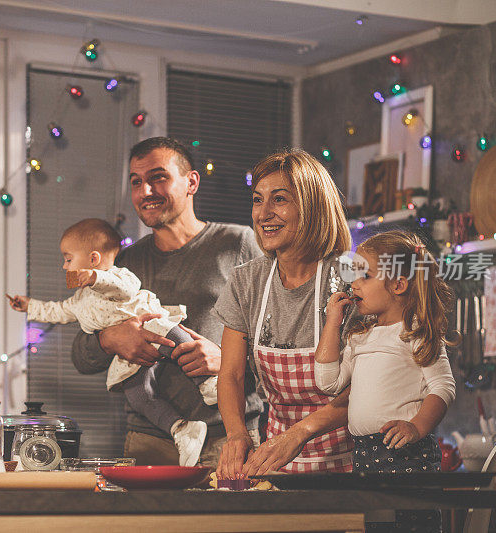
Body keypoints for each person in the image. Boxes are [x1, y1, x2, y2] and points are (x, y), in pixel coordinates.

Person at [71, 137, 264, 467]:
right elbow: (80, 356)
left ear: (191, 182)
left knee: (230, 521)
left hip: (229, 437)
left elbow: (282, 340)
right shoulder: (123, 265)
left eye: (158, 177)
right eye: (136, 182)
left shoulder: (238, 243)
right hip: (149, 442)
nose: (146, 192)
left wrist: (228, 359)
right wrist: (109, 339)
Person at [8, 218, 217, 466]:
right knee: (138, 396)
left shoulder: (120, 275)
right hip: (130, 355)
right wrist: (29, 306)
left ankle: (209, 383)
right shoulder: (80, 300)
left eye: (68, 259)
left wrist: (95, 278)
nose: (65, 266)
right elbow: (57, 311)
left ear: (93, 259)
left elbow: (126, 290)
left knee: (178, 341)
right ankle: (182, 429)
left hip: (151, 325)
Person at [214, 148, 357, 479]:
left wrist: (300, 433)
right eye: (257, 200)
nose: (263, 213)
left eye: (279, 200)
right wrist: (237, 435)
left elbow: (368, 385)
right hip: (278, 461)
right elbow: (231, 374)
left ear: (311, 207)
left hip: (351, 462)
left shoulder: (353, 279)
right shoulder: (246, 281)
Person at [315, 230, 456, 533]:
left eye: (364, 276)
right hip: (365, 453)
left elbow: (443, 387)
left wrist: (417, 426)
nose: (353, 284)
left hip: (408, 454)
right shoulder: (359, 336)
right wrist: (332, 324)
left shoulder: (415, 332)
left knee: (412, 526)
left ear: (398, 284)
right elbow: (328, 383)